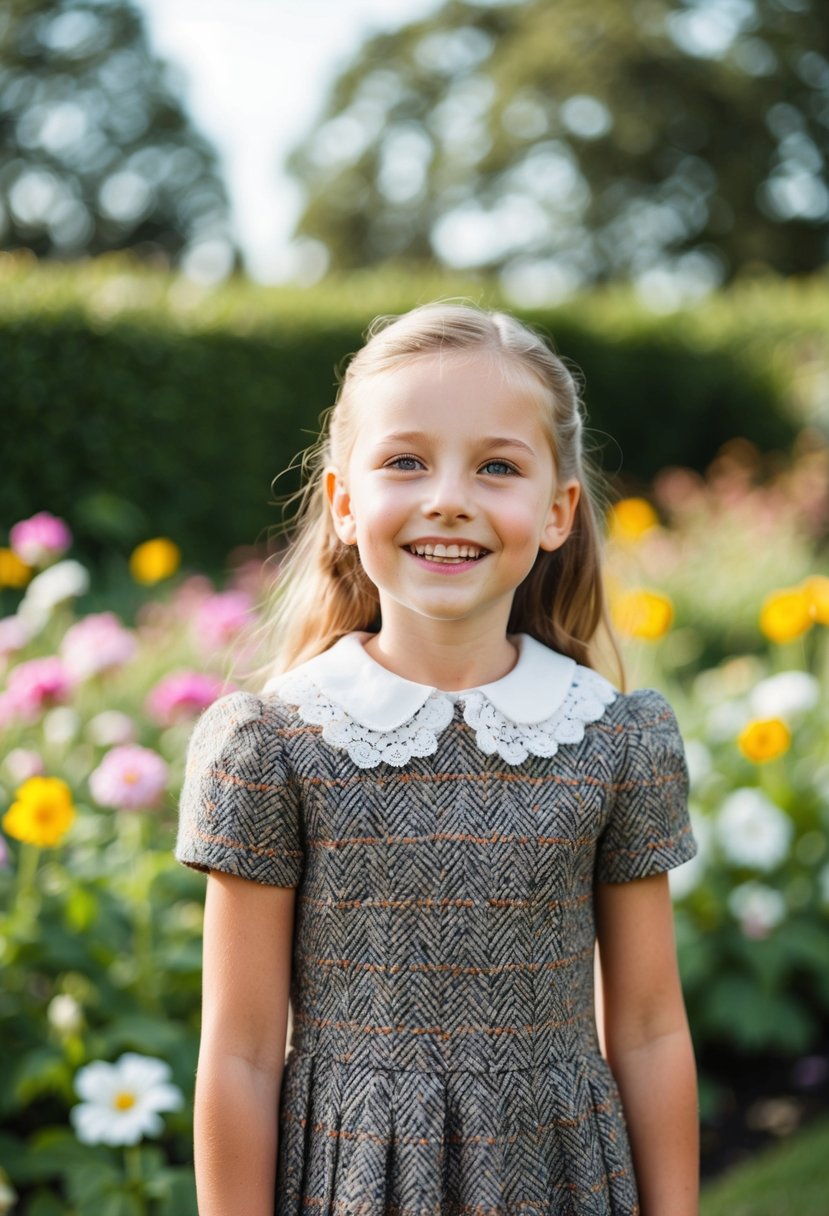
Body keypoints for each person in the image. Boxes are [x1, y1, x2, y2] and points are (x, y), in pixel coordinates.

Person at [175, 301, 700, 1216]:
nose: (448, 496)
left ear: (555, 511)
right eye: (405, 461)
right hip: (352, 1183)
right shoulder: (273, 747)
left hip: (563, 1179)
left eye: (496, 466)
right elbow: (241, 1051)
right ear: (342, 502)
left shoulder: (614, 740)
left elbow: (650, 1030)